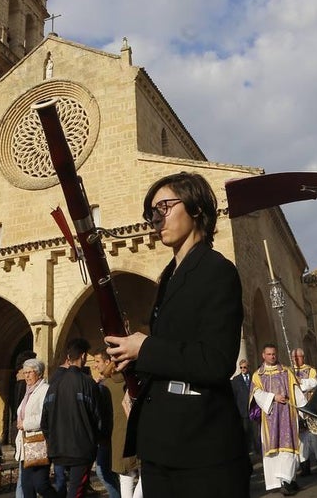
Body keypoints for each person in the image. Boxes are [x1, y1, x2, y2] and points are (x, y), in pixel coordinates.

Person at [105, 172, 249, 498]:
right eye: (151, 212)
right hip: (161, 446)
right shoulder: (168, 277)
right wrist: (135, 368)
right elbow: (171, 354)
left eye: (165, 206)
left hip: (202, 448)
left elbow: (215, 361)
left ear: (196, 208)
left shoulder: (217, 271)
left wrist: (146, 348)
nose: (157, 218)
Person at [42, 337, 101, 498]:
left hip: (58, 448)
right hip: (81, 448)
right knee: (76, 491)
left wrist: (52, 439)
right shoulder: (88, 383)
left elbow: (44, 420)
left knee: (67, 488)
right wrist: (95, 439)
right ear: (83, 356)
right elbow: (98, 417)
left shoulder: (54, 385)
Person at [251, 343, 303, 496]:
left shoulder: (286, 371)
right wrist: (273, 397)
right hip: (270, 418)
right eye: (268, 354)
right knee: (274, 449)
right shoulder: (257, 375)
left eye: (274, 354)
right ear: (263, 355)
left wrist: (304, 410)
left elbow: (295, 391)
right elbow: (256, 394)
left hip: (287, 415)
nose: (272, 357)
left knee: (288, 448)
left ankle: (288, 481)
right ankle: (283, 482)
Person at [95, 349, 141, 498]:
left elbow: (102, 415)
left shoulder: (106, 385)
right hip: (139, 435)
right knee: (146, 473)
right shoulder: (138, 382)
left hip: (117, 438)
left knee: (125, 479)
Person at [16, 359, 57, 498]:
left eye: (30, 372)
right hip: (25, 445)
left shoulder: (45, 390)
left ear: (38, 373)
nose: (26, 376)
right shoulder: (28, 392)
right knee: (27, 487)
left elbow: (46, 416)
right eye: (25, 372)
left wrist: (25, 424)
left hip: (39, 443)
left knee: (41, 485)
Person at [289, 349, 317, 477]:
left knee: (316, 437)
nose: (296, 360)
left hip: (311, 408)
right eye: (294, 357)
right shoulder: (289, 371)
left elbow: (314, 382)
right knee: (302, 441)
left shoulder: (310, 370)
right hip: (298, 410)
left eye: (298, 357)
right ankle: (305, 467)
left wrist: (299, 382)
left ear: (303, 357)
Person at [229, 358, 256, 460]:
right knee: (246, 432)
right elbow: (234, 396)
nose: (243, 369)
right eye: (241, 368)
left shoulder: (254, 377)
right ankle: (247, 452)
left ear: (248, 367)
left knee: (255, 431)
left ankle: (258, 450)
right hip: (242, 411)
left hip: (254, 410)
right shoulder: (236, 380)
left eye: (244, 367)